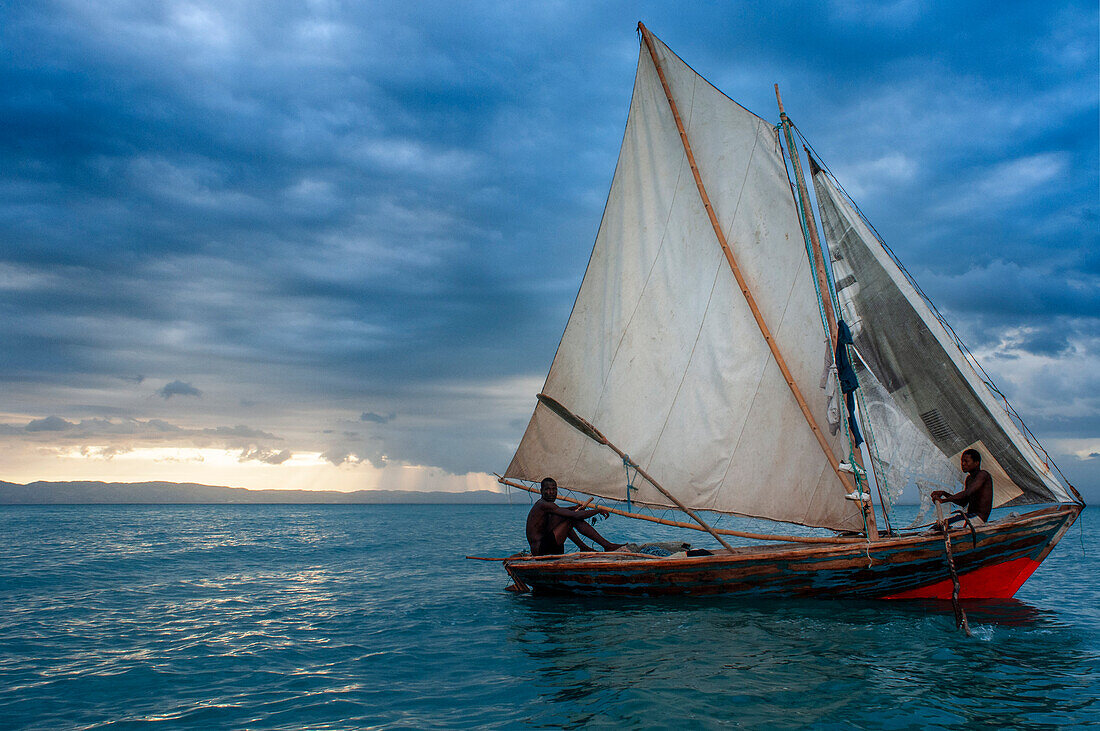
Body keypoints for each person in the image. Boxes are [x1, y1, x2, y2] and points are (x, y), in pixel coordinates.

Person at [525, 477, 623, 556]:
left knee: (565, 518)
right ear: (541, 491)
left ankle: (586, 547)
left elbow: (562, 512)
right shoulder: (544, 504)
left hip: (543, 548)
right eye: (548, 489)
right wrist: (598, 510)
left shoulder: (546, 506)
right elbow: (575, 515)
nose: (551, 492)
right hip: (541, 550)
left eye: (554, 489)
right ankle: (606, 546)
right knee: (571, 518)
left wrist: (574, 508)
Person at [931, 448, 993, 525]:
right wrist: (944, 494)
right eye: (962, 461)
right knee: (936, 527)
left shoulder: (983, 475)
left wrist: (943, 501)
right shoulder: (969, 479)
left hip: (978, 518)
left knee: (946, 527)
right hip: (969, 517)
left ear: (976, 463)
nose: (963, 464)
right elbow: (963, 502)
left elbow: (968, 492)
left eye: (966, 461)